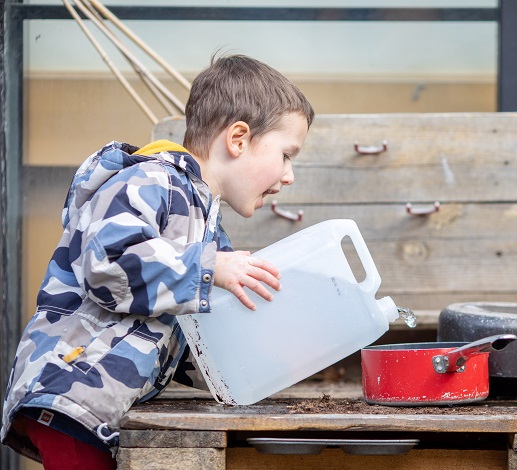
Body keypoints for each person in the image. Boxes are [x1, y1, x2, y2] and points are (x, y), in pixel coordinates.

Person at [1, 54, 315, 469]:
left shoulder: (206, 223)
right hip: (73, 390)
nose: (289, 175)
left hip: (103, 405)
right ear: (238, 139)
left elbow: (182, 327)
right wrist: (212, 268)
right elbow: (109, 265)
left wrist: (265, 357)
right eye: (287, 155)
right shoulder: (149, 181)